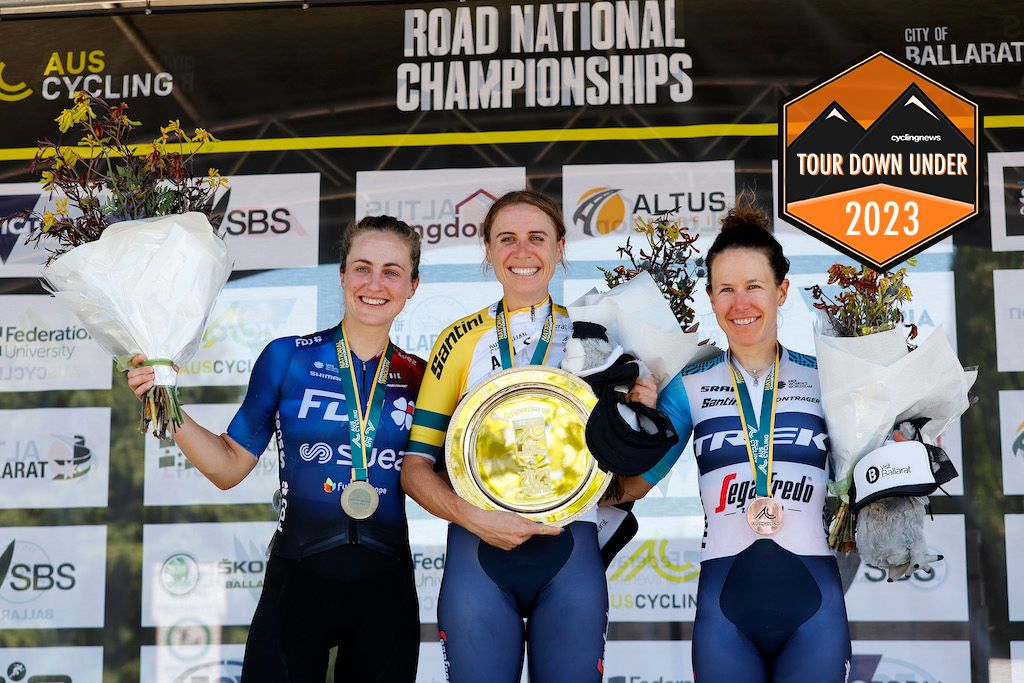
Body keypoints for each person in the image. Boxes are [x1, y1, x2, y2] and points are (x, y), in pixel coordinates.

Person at [127, 216, 425, 682]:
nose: (375, 283)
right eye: (362, 267)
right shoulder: (288, 357)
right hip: (299, 578)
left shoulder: (421, 377)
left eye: (392, 271)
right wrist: (166, 406)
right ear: (342, 275)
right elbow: (227, 467)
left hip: (386, 587)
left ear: (413, 285)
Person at [401, 190, 654, 683]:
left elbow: (630, 468)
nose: (523, 251)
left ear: (560, 248)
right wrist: (473, 517)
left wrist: (642, 418)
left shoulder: (602, 336)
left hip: (571, 553)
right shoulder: (458, 340)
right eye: (507, 239)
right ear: (489, 251)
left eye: (537, 238)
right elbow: (414, 469)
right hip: (478, 552)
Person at [617, 202, 852, 682]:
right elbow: (633, 485)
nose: (740, 304)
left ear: (782, 290)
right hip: (725, 607)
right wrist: (631, 418)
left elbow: (870, 475)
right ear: (709, 295)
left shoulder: (829, 378)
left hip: (814, 606)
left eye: (754, 287)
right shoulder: (688, 386)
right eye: (726, 289)